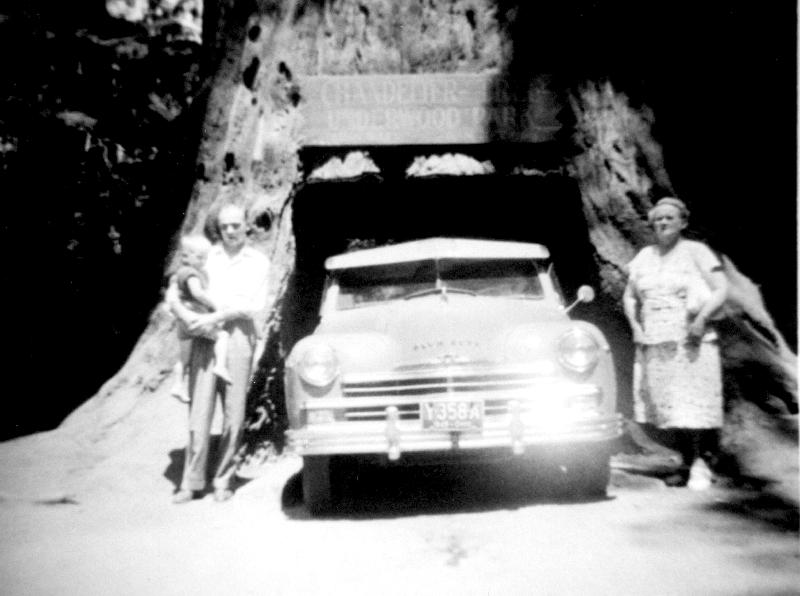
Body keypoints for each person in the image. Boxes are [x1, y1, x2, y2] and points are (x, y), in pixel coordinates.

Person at [623, 197, 728, 489]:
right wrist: (635, 326)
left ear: (683, 222)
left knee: (693, 401)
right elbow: (629, 296)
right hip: (655, 337)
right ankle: (685, 462)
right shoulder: (645, 256)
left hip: (691, 338)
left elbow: (721, 289)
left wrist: (702, 319)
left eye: (669, 217)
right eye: (658, 219)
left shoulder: (697, 251)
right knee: (668, 404)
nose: (663, 223)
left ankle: (701, 464)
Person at [168, 204, 270, 503]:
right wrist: (185, 311)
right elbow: (181, 285)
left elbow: (252, 305)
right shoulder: (207, 256)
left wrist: (216, 316)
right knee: (199, 409)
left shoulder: (258, 261)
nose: (230, 231)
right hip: (204, 332)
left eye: (235, 225)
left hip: (238, 332)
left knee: (234, 412)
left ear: (246, 226)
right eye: (224, 226)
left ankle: (224, 479)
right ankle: (191, 481)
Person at [168, 234, 231, 403]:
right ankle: (220, 366)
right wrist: (214, 304)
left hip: (182, 323)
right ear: (187, 256)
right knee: (222, 336)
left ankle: (177, 385)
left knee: (183, 357)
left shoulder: (179, 273)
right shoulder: (191, 274)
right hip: (195, 317)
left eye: (205, 257)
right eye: (200, 257)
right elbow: (197, 293)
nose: (204, 260)